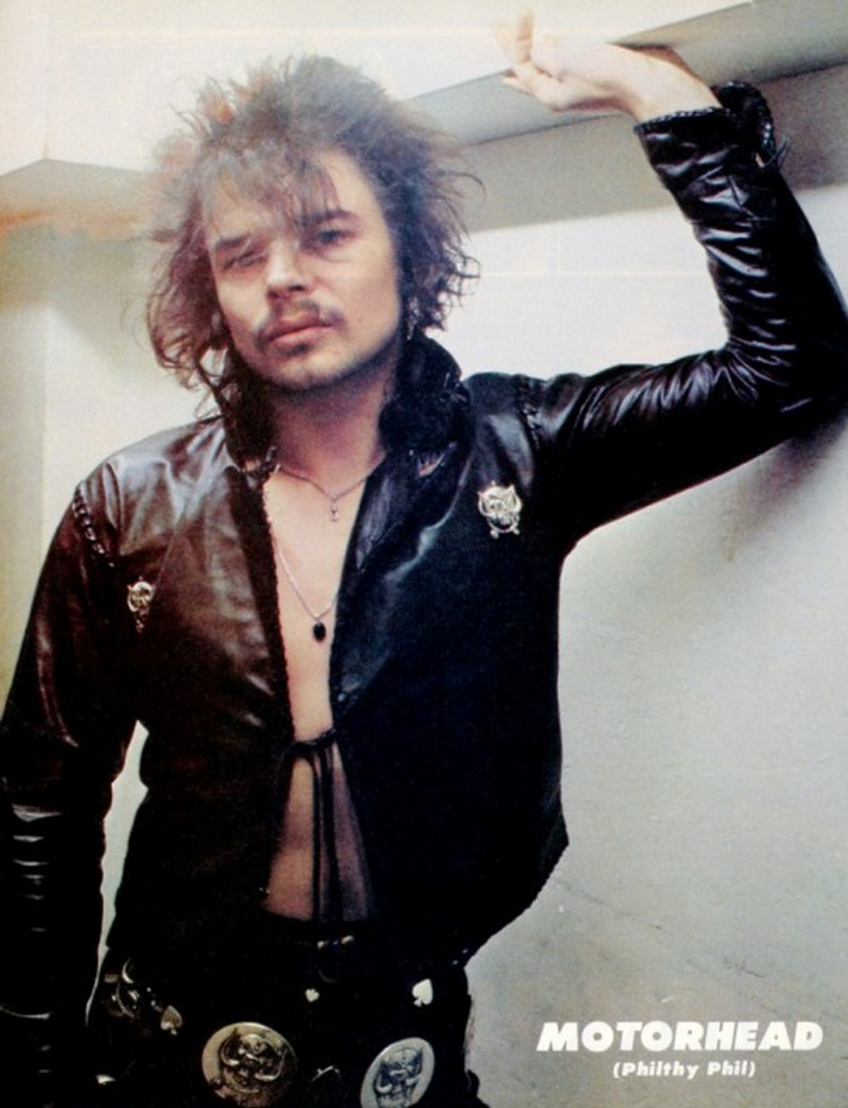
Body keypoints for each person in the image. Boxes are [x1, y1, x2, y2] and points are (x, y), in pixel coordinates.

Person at [1, 12, 847, 1108]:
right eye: (241, 254)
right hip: (167, 1031)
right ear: (210, 292)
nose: (283, 278)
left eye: (326, 235)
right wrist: (34, 1070)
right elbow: (40, 804)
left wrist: (654, 92)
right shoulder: (128, 505)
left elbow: (789, 364)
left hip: (401, 1037)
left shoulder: (519, 454)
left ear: (407, 249)